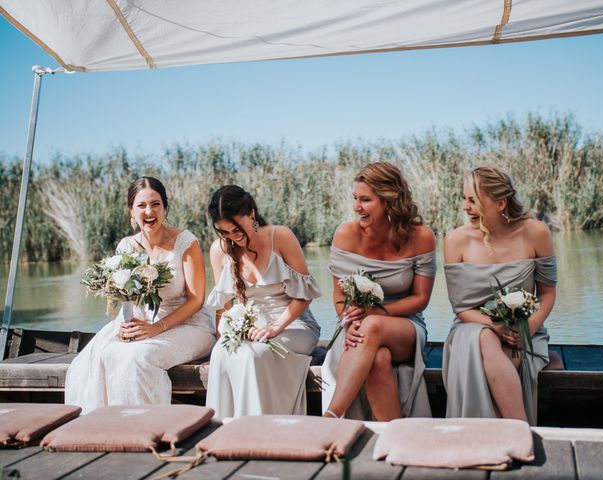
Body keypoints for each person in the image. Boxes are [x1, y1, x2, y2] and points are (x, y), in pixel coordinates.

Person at [66, 176, 215, 413]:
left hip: (190, 326)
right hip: (144, 323)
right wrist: (127, 324)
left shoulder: (186, 242)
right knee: (104, 354)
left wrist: (158, 328)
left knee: (139, 356)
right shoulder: (126, 247)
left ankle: (149, 423)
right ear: (131, 211)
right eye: (141, 205)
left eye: (156, 204)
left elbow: (197, 300)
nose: (149, 211)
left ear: (165, 207)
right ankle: (112, 423)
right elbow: (126, 299)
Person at [442, 165, 557, 425]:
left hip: (522, 330)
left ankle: (491, 439)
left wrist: (528, 327)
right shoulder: (455, 241)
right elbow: (461, 308)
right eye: (464, 199)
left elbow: (548, 293)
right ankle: (519, 428)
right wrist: (494, 327)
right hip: (470, 327)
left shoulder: (535, 232)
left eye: (473, 200)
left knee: (499, 360)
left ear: (500, 203)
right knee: (483, 338)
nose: (465, 207)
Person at [321, 162, 436, 421]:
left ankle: (331, 417)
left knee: (372, 324)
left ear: (389, 201)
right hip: (357, 327)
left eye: (365, 200)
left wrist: (376, 311)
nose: (356, 207)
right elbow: (340, 297)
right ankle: (393, 433)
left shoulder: (421, 236)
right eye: (355, 199)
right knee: (378, 359)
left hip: (405, 328)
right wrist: (347, 322)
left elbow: (421, 299)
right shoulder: (345, 235)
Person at [205, 185, 321, 418]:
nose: (232, 237)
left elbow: (304, 296)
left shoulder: (281, 237)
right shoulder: (219, 250)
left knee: (252, 354)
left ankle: (260, 426)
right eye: (224, 232)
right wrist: (232, 329)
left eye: (236, 229)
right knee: (221, 352)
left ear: (251, 214)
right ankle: (226, 428)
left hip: (292, 324)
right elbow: (227, 305)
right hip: (250, 328)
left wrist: (274, 327)